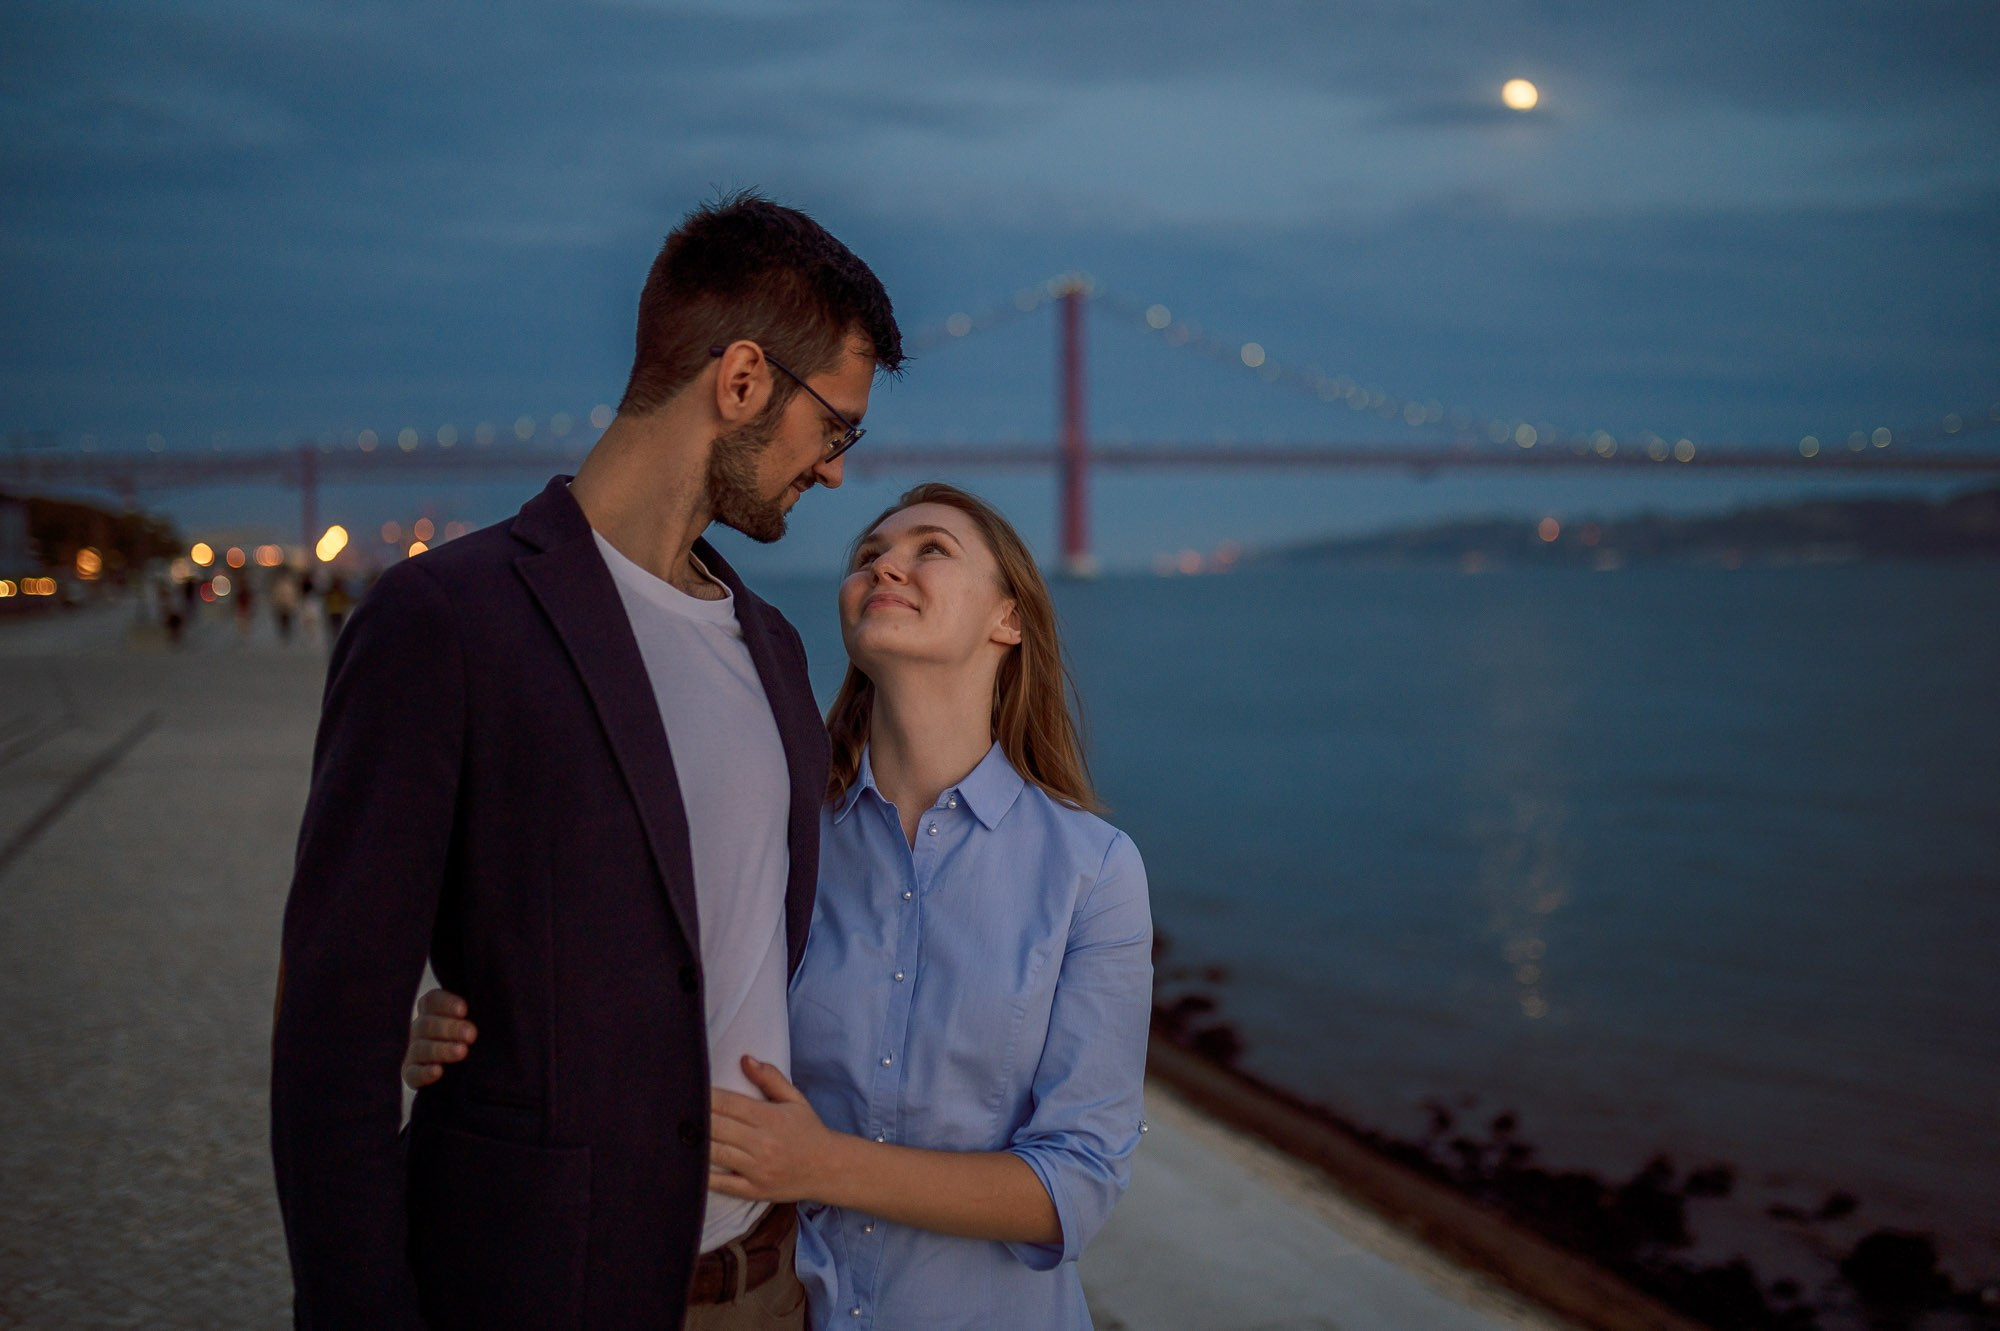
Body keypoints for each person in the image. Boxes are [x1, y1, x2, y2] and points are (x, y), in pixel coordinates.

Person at [269, 193, 903, 1330]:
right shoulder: (443, 621)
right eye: (838, 428)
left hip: (764, 1289)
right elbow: (331, 1040)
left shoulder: (775, 648)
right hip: (539, 1286)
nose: (839, 470)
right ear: (744, 380)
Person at [406, 484, 1154, 1330]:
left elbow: (1077, 1184)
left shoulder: (1093, 872)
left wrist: (821, 1164)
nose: (885, 565)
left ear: (1008, 619)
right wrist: (480, 1024)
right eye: (868, 553)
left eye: (930, 549)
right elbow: (650, 996)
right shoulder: (778, 833)